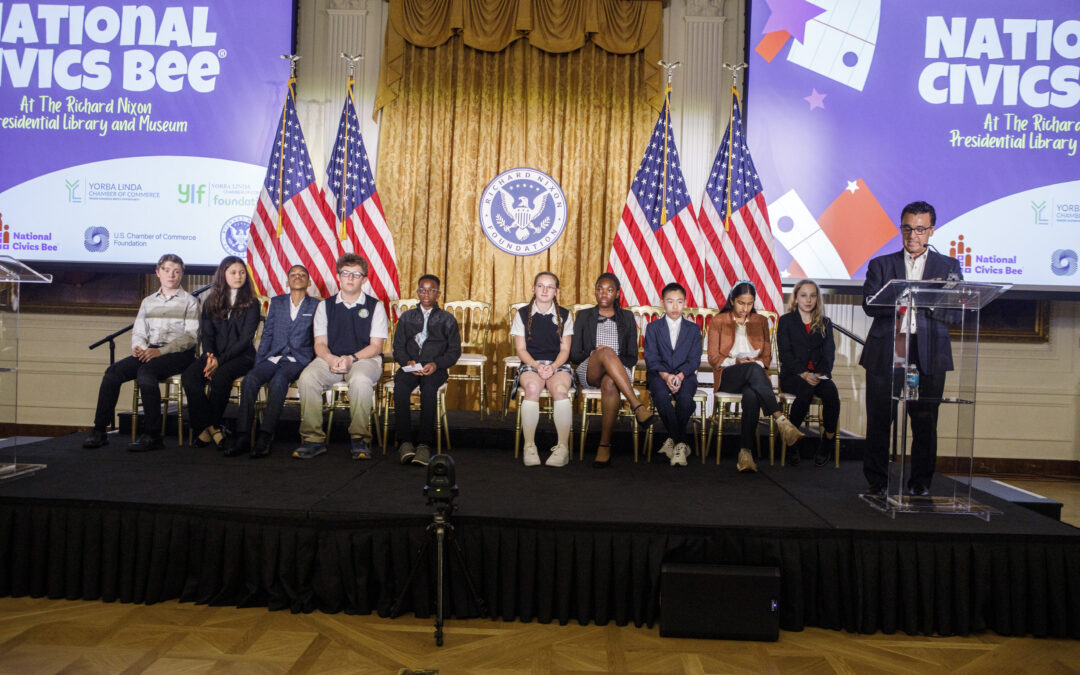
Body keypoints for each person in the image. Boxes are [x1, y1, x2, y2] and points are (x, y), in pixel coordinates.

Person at [860, 201, 962, 496]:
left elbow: (955, 312)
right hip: (888, 349)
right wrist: (902, 296)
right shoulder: (881, 265)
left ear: (931, 230)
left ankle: (920, 483)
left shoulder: (948, 268)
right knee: (880, 419)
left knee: (925, 422)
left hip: (929, 352)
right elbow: (869, 305)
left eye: (919, 229)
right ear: (900, 228)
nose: (913, 235)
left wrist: (929, 299)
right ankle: (877, 482)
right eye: (907, 228)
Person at [83, 254, 200, 452]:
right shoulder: (148, 302)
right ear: (158, 273)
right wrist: (140, 347)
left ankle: (153, 435)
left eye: (176, 271)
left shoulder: (190, 301)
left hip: (178, 354)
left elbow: (190, 338)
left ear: (182, 275)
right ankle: (99, 430)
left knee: (146, 374)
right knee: (113, 373)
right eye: (166, 270)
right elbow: (138, 332)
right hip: (150, 350)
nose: (171, 275)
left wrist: (159, 352)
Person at [292, 253, 387, 460]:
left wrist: (351, 358)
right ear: (338, 277)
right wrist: (331, 359)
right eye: (345, 273)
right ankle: (313, 439)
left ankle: (359, 439)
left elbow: (376, 346)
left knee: (360, 380)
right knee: (307, 377)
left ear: (364, 279)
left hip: (364, 360)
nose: (350, 278)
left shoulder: (375, 306)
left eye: (356, 274)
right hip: (331, 358)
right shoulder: (324, 306)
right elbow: (320, 343)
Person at [707, 281, 804, 472]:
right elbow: (713, 358)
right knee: (751, 369)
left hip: (754, 377)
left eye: (750, 304)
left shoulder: (760, 321)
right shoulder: (719, 321)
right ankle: (780, 419)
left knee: (752, 394)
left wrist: (755, 362)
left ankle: (745, 454)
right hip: (729, 376)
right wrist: (737, 362)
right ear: (732, 300)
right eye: (741, 303)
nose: (745, 308)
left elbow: (766, 358)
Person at [222, 265, 318, 458]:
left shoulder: (316, 305)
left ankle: (265, 436)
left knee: (279, 380)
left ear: (308, 282)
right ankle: (242, 436)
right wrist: (259, 361)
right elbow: (268, 334)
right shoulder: (277, 302)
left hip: (297, 359)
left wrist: (312, 361)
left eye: (302, 275)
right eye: (293, 275)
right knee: (250, 380)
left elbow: (319, 337)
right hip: (273, 356)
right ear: (287, 281)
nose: (297, 277)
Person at [570, 273, 654, 468]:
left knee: (609, 383)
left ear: (617, 294)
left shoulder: (626, 317)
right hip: (590, 368)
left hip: (617, 373)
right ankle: (637, 405)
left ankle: (604, 445)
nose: (604, 293)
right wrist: (597, 354)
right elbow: (574, 355)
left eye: (609, 290)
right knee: (605, 353)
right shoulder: (584, 316)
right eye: (600, 289)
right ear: (595, 292)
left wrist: (611, 361)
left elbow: (632, 356)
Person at [181, 256, 259, 450]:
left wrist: (219, 361)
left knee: (221, 377)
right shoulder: (210, 301)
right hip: (214, 355)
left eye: (242, 272)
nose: (238, 276)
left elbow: (244, 341)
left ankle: (207, 429)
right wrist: (210, 357)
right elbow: (207, 336)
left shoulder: (252, 303)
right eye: (233, 272)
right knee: (190, 377)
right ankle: (213, 428)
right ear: (223, 275)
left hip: (242, 356)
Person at [392, 274, 461, 467]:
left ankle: (424, 444)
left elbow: (454, 351)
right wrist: (407, 361)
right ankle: (405, 442)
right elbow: (397, 347)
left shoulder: (447, 319)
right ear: (417, 292)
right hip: (410, 366)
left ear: (438, 293)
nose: (426, 294)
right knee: (400, 388)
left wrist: (436, 364)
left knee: (429, 391)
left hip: (435, 368)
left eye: (431, 290)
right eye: (422, 290)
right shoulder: (407, 317)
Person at [511, 271, 574, 467]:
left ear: (557, 291)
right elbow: (520, 349)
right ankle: (529, 445)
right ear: (533, 289)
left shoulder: (564, 314)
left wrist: (553, 367)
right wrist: (538, 366)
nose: (545, 290)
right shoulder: (522, 314)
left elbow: (565, 349)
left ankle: (562, 447)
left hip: (558, 364)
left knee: (560, 390)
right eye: (540, 285)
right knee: (531, 388)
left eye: (550, 287)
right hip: (531, 363)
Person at [777, 279, 840, 467]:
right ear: (796, 298)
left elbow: (829, 354)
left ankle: (827, 441)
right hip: (793, 376)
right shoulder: (786, 321)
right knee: (805, 389)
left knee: (831, 393)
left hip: (819, 375)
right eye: (803, 295)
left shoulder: (825, 323)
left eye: (813, 295)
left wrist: (820, 374)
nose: (808, 300)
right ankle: (792, 441)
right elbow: (785, 353)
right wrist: (804, 373)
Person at [644, 283, 702, 467]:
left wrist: (682, 375)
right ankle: (681, 443)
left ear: (685, 303)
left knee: (685, 399)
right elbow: (651, 358)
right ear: (662, 303)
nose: (675, 307)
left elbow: (694, 359)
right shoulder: (653, 328)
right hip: (659, 374)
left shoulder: (693, 329)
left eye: (679, 302)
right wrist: (666, 376)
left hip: (686, 375)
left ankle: (672, 439)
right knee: (661, 396)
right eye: (670, 302)